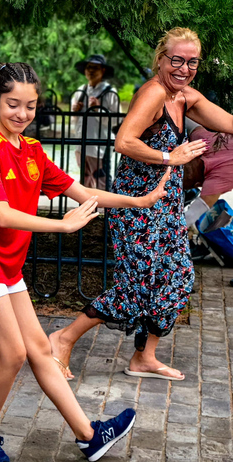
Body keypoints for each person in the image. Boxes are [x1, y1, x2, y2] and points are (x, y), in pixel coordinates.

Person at [0, 62, 170, 462]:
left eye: (30, 106)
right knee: (14, 354)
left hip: (7, 266)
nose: (22, 113)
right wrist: (63, 226)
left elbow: (83, 192)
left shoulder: (31, 150)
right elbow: (2, 215)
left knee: (39, 352)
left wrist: (138, 202)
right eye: (13, 104)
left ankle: (89, 435)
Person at [49, 28, 233, 381]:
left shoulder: (185, 97)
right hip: (135, 205)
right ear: (161, 59)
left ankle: (144, 357)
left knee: (177, 278)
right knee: (138, 285)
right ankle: (63, 338)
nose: (184, 68)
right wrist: (170, 155)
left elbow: (229, 123)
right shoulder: (153, 94)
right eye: (176, 60)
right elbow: (124, 142)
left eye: (192, 61)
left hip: (164, 208)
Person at [70, 54, 120, 190]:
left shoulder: (110, 92)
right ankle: (87, 208)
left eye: (95, 68)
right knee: (85, 179)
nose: (91, 71)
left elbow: (117, 120)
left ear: (102, 70)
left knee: (101, 179)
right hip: (81, 143)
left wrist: (98, 110)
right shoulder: (81, 91)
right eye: (88, 67)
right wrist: (75, 111)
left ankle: (106, 210)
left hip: (100, 144)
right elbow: (73, 120)